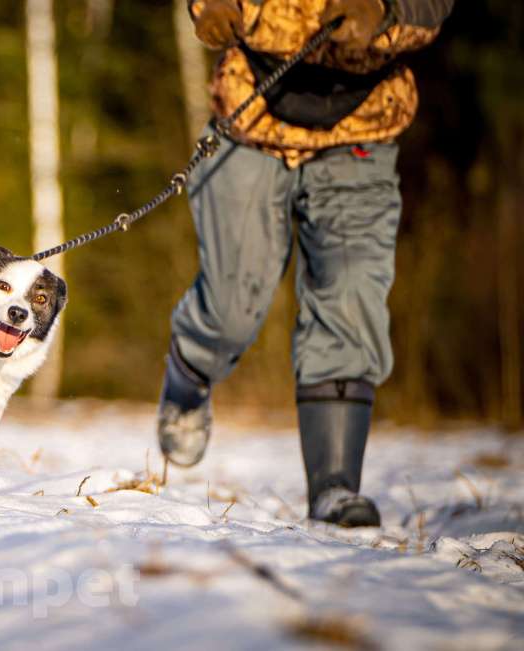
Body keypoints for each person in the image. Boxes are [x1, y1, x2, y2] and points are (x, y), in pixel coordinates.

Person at [158, 0, 454, 527]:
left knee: (350, 296)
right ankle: (188, 378)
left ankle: (334, 486)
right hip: (250, 123)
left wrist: (385, 13)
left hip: (361, 131)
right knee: (232, 307)